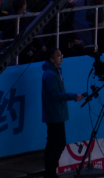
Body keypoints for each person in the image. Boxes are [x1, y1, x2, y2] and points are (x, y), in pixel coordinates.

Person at [42, 47, 84, 178]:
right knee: (59, 143)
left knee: (52, 143)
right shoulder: (50, 74)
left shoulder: (56, 72)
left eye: (61, 55)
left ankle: (49, 172)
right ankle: (50, 172)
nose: (61, 57)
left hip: (56, 113)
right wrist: (73, 96)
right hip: (55, 114)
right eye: (58, 56)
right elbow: (55, 94)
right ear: (51, 59)